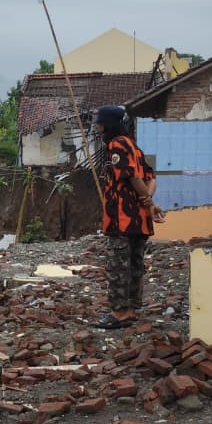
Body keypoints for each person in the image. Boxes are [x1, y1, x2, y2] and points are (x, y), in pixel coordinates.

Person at [93, 105, 162, 329]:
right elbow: (151, 178)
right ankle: (131, 310)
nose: (97, 127)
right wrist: (148, 200)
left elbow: (131, 176)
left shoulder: (117, 146)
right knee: (134, 265)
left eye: (99, 123)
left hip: (122, 219)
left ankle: (119, 313)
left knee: (118, 267)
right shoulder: (135, 147)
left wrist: (148, 200)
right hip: (139, 221)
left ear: (106, 125)